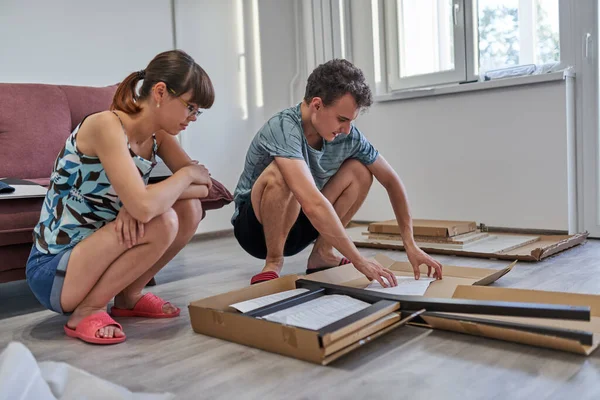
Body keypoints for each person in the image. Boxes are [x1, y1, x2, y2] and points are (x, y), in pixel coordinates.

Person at [25, 50, 215, 345]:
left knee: (187, 208)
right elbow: (163, 194)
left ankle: (129, 296)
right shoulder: (106, 125)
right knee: (161, 218)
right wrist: (181, 178)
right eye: (190, 106)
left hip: (98, 250)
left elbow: (206, 188)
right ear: (161, 92)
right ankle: (87, 310)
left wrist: (144, 199)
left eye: (197, 111)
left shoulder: (158, 137)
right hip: (54, 269)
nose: (193, 117)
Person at [232, 59, 443, 287]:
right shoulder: (283, 128)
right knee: (282, 175)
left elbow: (391, 181)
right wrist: (360, 260)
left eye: (351, 121)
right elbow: (312, 202)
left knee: (360, 171)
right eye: (342, 119)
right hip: (256, 231)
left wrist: (410, 244)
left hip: (300, 222)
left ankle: (322, 254)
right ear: (317, 105)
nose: (347, 129)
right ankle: (273, 262)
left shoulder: (347, 135)